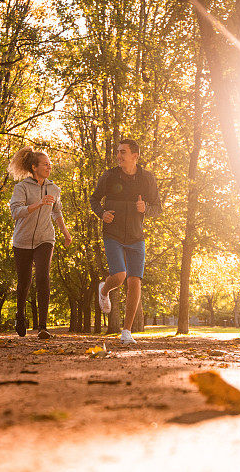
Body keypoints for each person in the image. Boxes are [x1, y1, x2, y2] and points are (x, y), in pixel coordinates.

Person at [90, 139, 161, 344]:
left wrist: (145, 209)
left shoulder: (147, 178)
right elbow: (94, 199)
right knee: (120, 276)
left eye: (123, 152)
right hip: (112, 234)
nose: (119, 156)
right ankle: (104, 289)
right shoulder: (109, 176)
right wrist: (102, 213)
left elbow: (158, 207)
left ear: (135, 156)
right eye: (118, 152)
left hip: (136, 237)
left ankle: (127, 332)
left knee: (135, 280)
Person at [8, 146, 72, 339]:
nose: (49, 167)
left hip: (45, 239)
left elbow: (57, 212)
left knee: (43, 278)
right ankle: (20, 315)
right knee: (24, 283)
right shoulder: (22, 187)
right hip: (22, 240)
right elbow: (16, 212)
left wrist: (66, 233)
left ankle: (43, 327)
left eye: (50, 164)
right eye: (45, 164)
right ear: (34, 167)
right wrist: (38, 204)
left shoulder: (54, 189)